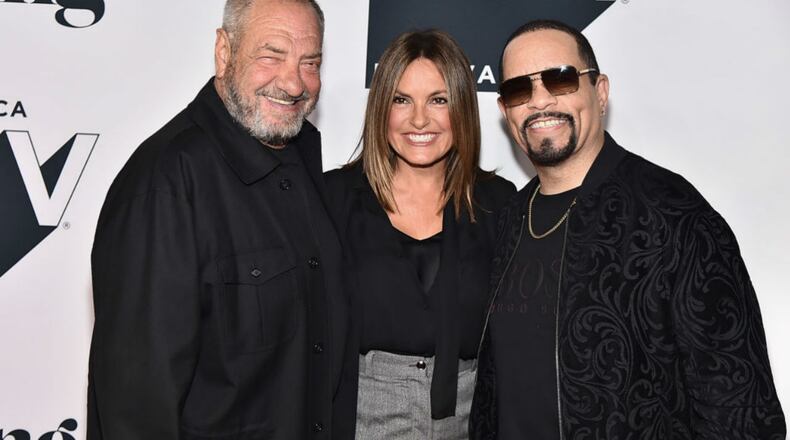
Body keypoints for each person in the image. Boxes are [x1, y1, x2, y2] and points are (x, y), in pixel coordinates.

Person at [470, 19, 786, 440]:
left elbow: (742, 413)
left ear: (600, 92)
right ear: (505, 110)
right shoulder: (509, 218)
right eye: (518, 89)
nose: (540, 100)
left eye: (560, 79)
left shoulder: (673, 214)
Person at [87, 1, 349, 439]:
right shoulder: (167, 183)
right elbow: (136, 408)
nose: (293, 83)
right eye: (271, 55)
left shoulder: (301, 161)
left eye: (310, 63)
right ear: (224, 51)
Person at [325, 30, 515, 439]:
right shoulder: (333, 199)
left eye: (438, 100)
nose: (419, 119)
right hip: (359, 421)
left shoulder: (498, 203)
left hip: (467, 423)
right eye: (402, 100)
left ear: (462, 107)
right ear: (381, 108)